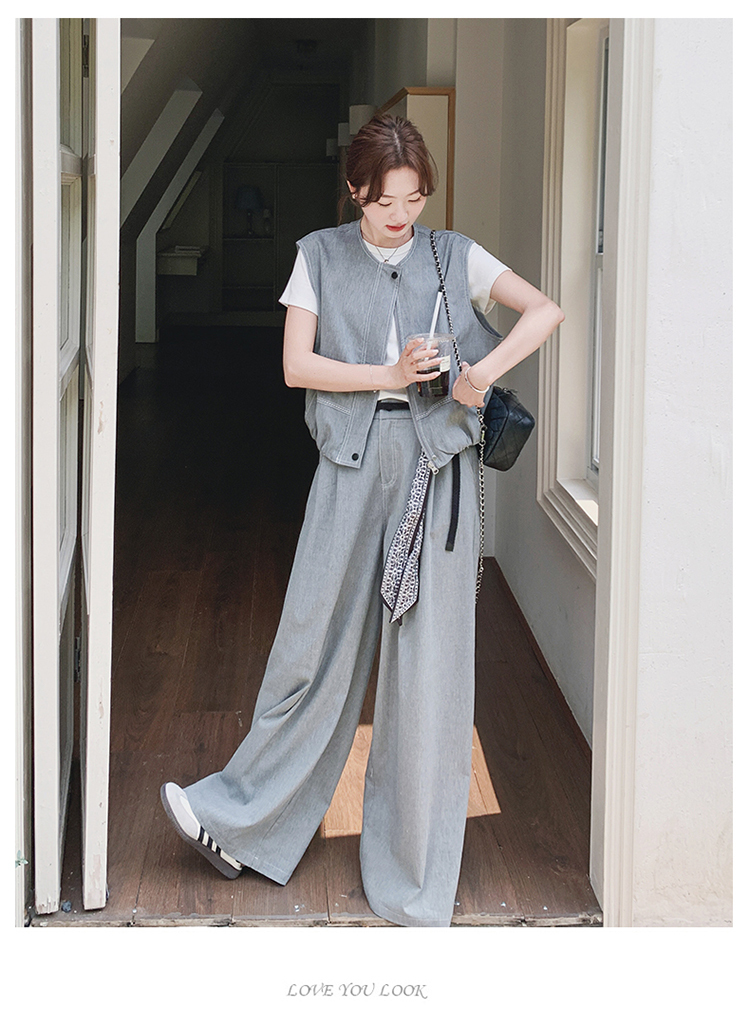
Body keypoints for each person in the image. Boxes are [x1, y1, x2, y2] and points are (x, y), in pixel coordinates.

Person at [160, 113, 564, 928]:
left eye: (415, 199)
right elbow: (294, 365)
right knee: (311, 649)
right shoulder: (318, 255)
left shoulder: (455, 254)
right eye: (386, 202)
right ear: (355, 192)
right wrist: (388, 373)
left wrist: (477, 375)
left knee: (429, 673)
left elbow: (544, 311)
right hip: (349, 462)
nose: (402, 216)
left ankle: (415, 879)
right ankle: (238, 822)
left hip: (437, 472)